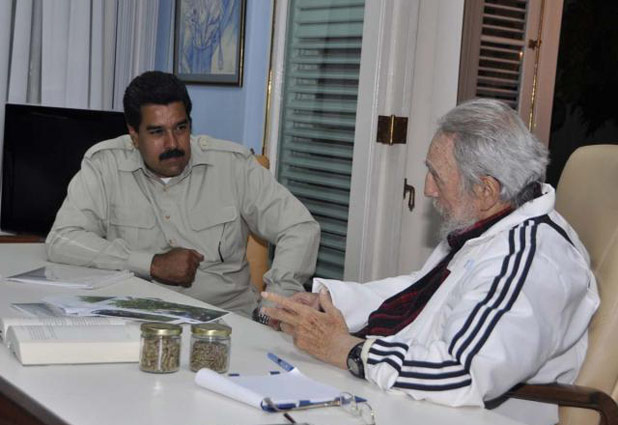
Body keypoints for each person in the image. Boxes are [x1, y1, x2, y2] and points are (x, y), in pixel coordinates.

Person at [261, 98, 599, 425]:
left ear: (485, 190)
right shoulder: (488, 226)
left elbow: (459, 374)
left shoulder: (530, 260)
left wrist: (351, 351)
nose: (427, 189)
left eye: (436, 176)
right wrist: (328, 304)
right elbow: (420, 294)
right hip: (417, 401)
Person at [46, 71, 320, 318]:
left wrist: (275, 306)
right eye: (157, 132)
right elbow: (62, 240)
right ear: (134, 135)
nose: (173, 144)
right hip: (135, 317)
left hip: (225, 320)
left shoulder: (232, 166)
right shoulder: (105, 165)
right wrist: (151, 264)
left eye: (180, 127)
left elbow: (299, 228)